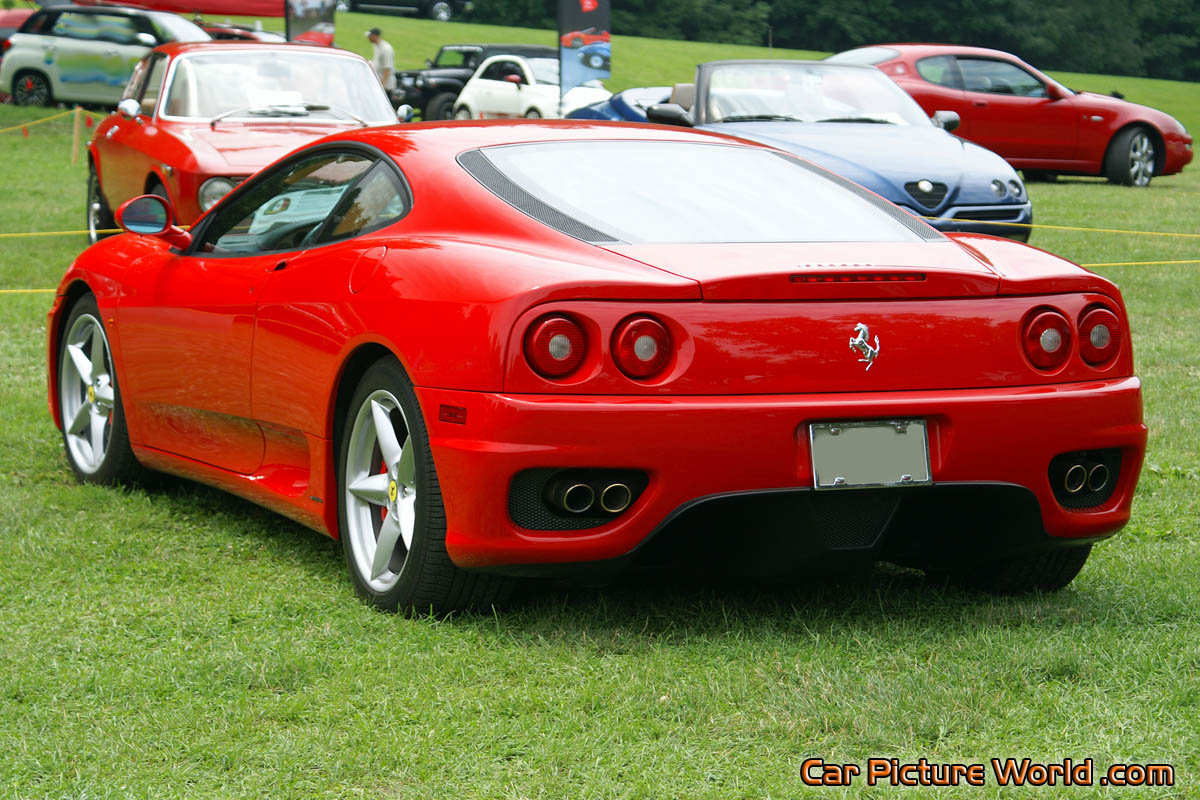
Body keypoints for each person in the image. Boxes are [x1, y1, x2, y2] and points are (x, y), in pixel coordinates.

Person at [366, 28, 396, 101]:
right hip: (377, 83)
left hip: (386, 86)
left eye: (370, 36)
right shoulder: (376, 45)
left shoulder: (386, 49)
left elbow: (387, 69)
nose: (368, 38)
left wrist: (381, 86)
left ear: (375, 36)